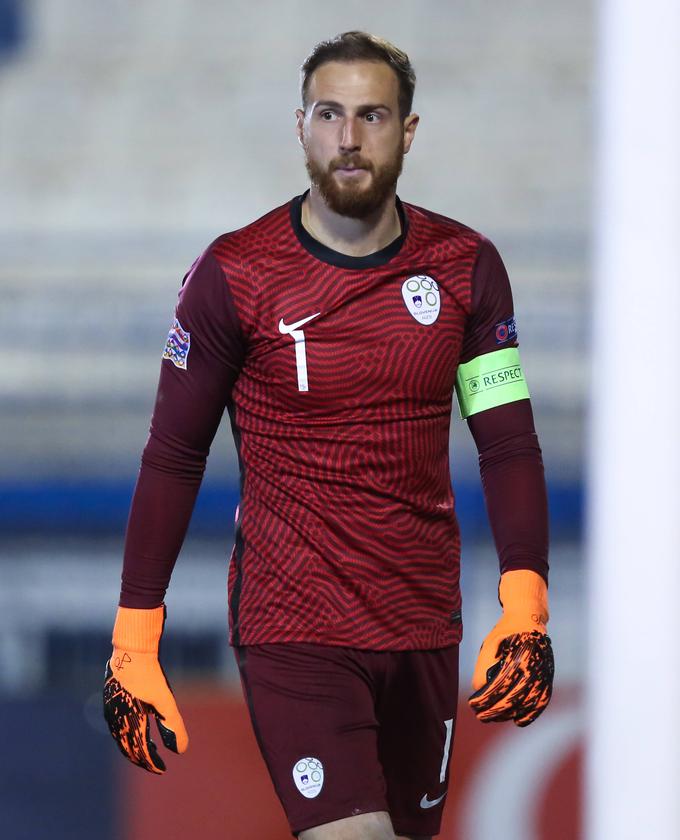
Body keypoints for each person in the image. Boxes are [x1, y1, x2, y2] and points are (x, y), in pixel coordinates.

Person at [103, 31, 554, 840]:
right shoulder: (235, 275)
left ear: (407, 131)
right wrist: (135, 638)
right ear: (301, 126)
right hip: (294, 625)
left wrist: (525, 604)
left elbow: (508, 443)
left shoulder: (467, 269)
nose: (349, 138)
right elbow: (173, 454)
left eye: (372, 115)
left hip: (421, 624)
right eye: (329, 114)